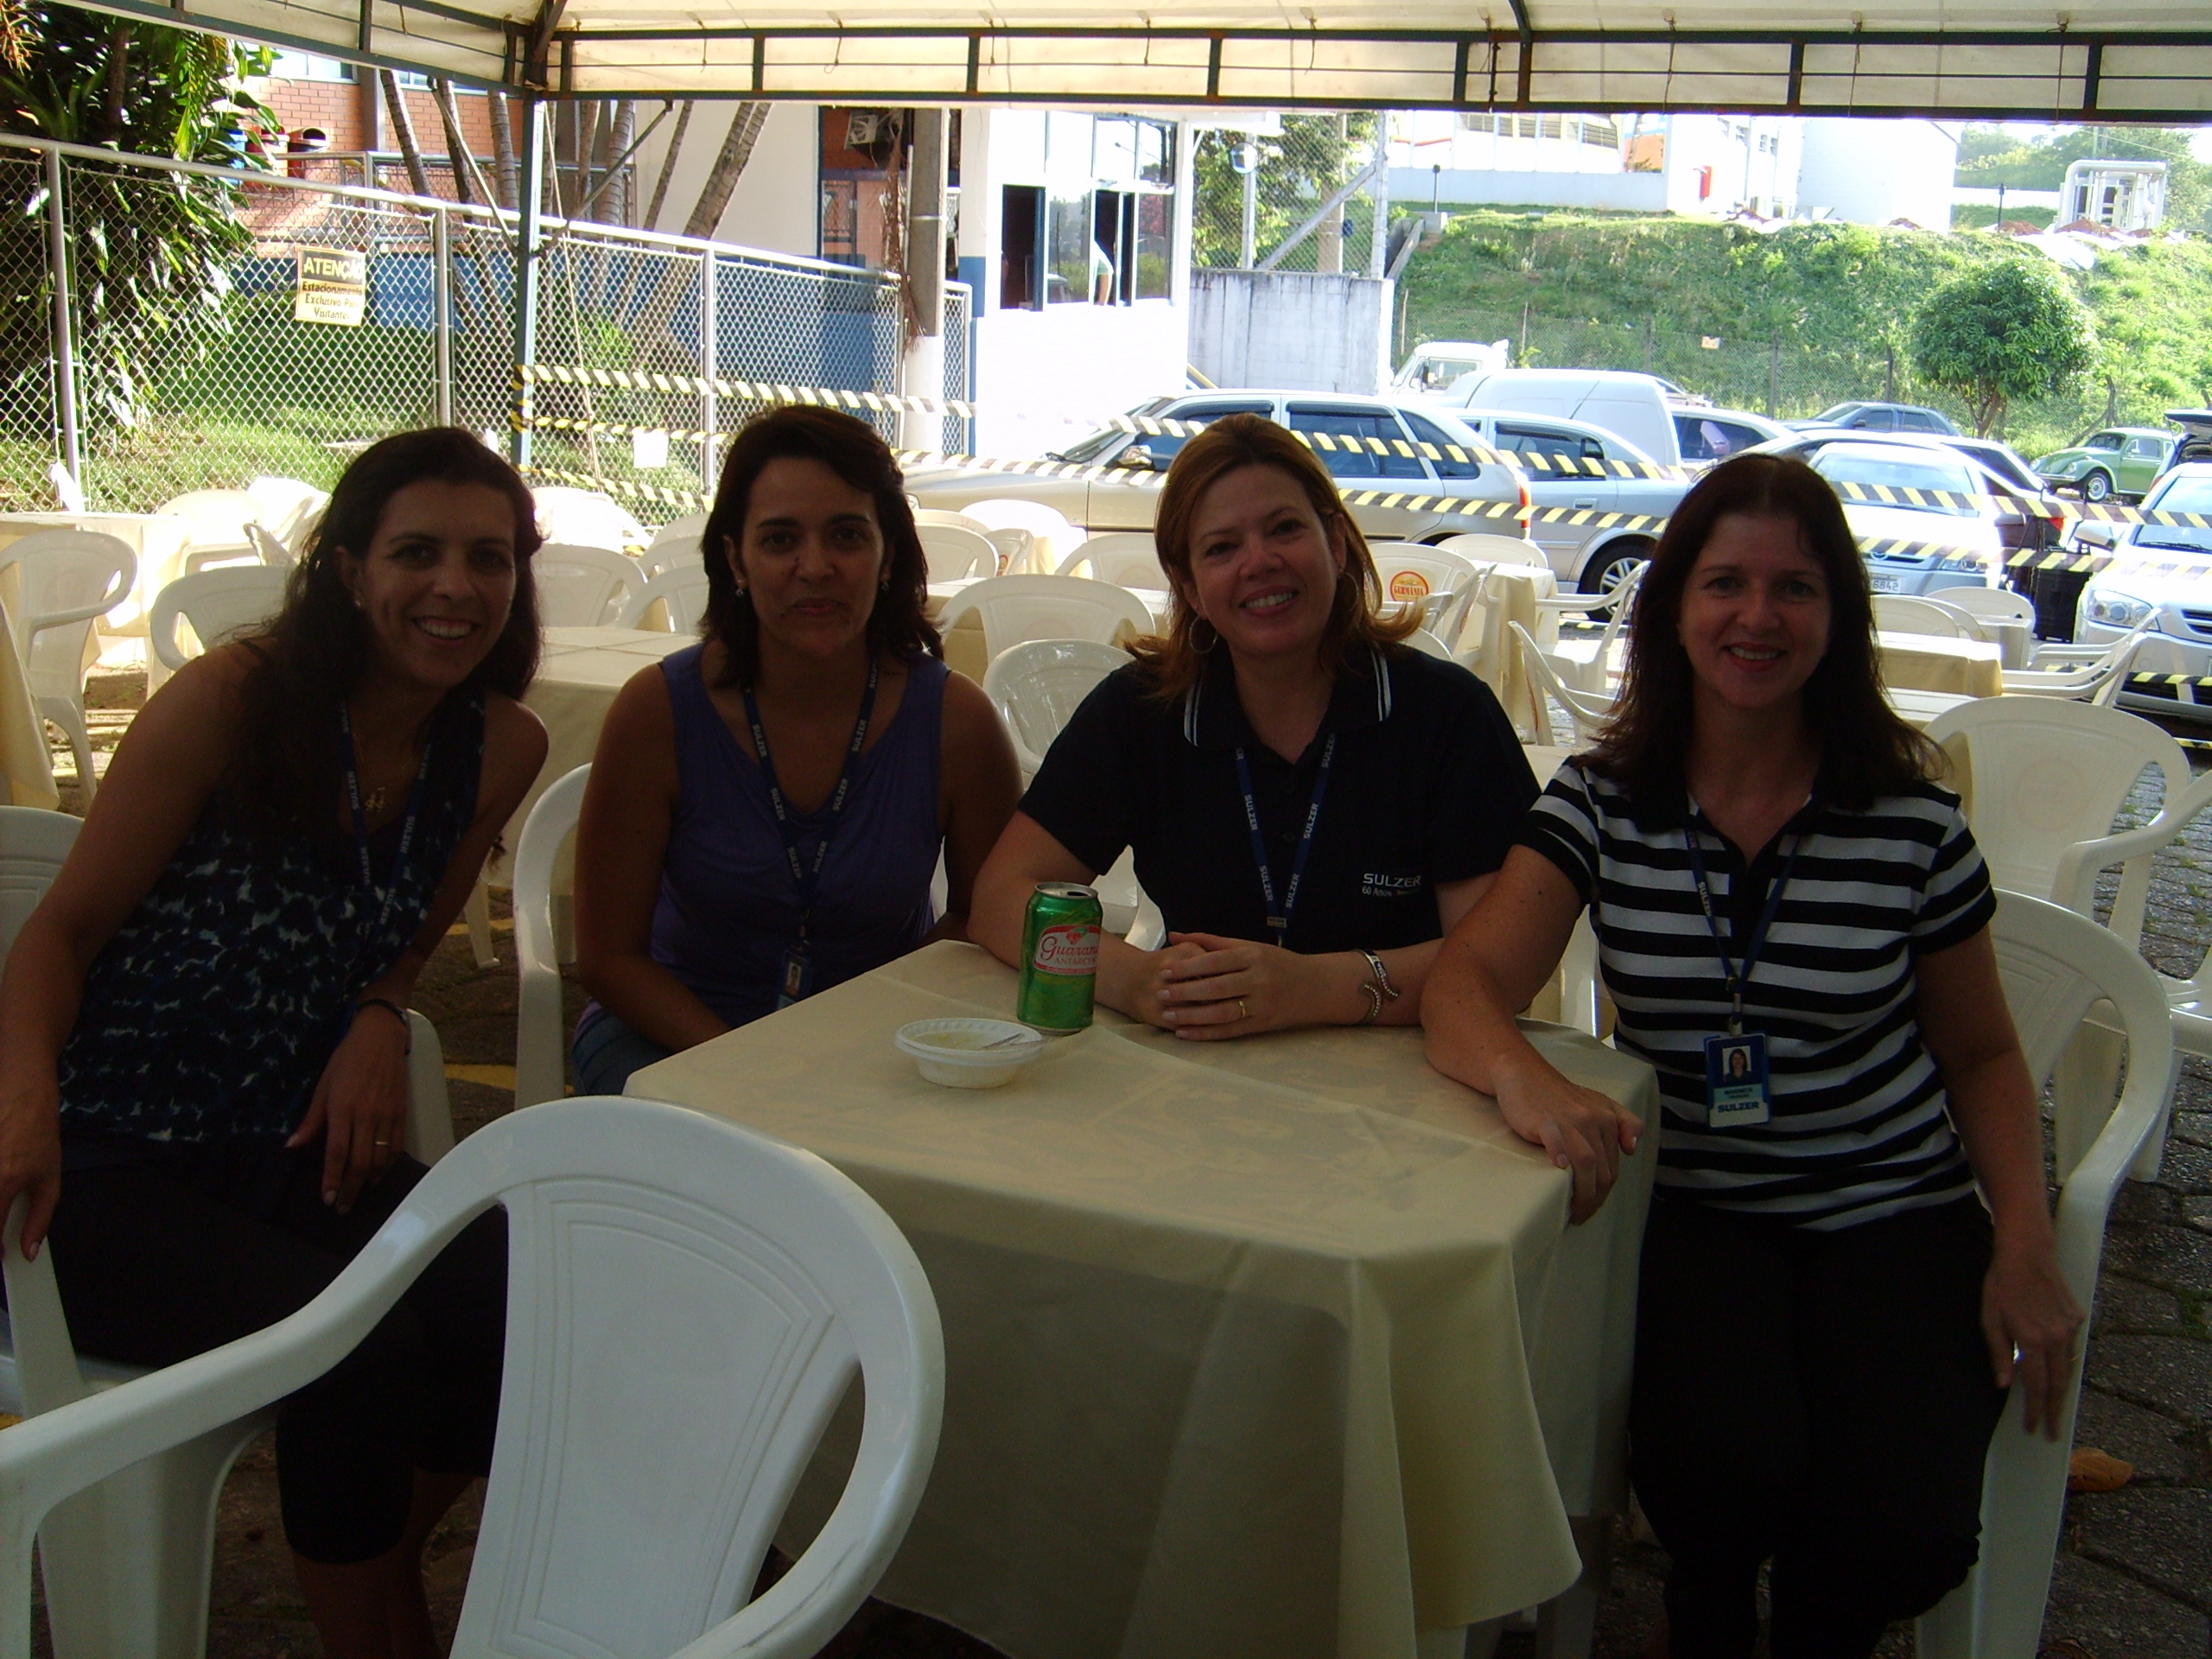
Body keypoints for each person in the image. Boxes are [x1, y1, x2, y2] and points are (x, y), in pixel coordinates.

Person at [1421, 453, 2082, 1657]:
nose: (1757, 617)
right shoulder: (1602, 800)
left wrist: (2027, 1241)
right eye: (1725, 583)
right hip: (1695, 1208)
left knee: (1905, 1528)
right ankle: (1710, 1614)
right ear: (1674, 607)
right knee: (1719, 1472)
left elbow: (1984, 1054)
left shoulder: (1911, 821)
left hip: (1893, 1208)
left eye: (1795, 587)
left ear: (1839, 616)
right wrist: (1529, 1079)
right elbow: (1464, 986)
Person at [0, 428, 550, 1659]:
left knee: (518, 1286)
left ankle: (374, 1573)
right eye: (416, 553)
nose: (455, 587)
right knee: (354, 1349)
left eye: (489, 557)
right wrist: (22, 1103)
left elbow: (409, 936)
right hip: (101, 1156)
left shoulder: (500, 746)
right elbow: (57, 937)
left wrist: (380, 1012)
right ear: (349, 569)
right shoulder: (234, 703)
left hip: (284, 1141)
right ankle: (371, 1635)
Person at [971, 413, 1537, 1035]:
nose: (1260, 562)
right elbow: (1000, 899)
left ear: (1337, 543)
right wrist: (1135, 980)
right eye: (1221, 548)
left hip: (1406, 1065)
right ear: (1189, 586)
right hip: (1199, 1061)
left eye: (1285, 529)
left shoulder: (1447, 715)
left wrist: (1314, 988)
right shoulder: (1142, 710)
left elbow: (1507, 964)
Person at [570, 404, 1020, 1092]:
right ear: (736, 560)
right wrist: (752, 1071)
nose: (815, 567)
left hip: (884, 1041)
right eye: (781, 540)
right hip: (674, 1037)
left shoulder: (956, 722)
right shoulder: (656, 712)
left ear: (887, 554)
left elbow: (984, 918)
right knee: (730, 1150)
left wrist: (865, 1038)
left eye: (847, 535)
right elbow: (609, 958)